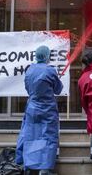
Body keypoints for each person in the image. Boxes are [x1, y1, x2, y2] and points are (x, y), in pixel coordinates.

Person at [16, 45, 63, 175]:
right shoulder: (50, 70)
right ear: (47, 56)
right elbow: (58, 89)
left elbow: (28, 89)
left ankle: (29, 166)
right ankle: (44, 169)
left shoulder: (29, 70)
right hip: (48, 109)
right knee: (48, 137)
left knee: (31, 136)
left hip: (32, 108)